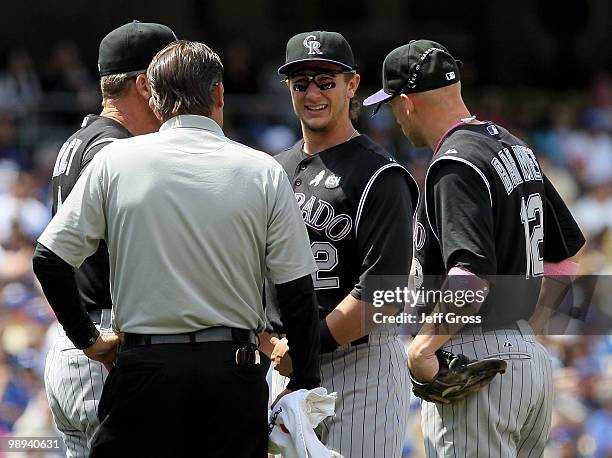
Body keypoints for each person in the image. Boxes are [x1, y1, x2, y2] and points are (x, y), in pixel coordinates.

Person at [33, 40, 321, 457]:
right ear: (219, 93)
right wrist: (304, 382)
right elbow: (296, 289)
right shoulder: (263, 170)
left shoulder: (115, 162)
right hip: (232, 373)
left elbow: (49, 259)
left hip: (144, 370)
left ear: (153, 94)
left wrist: (89, 339)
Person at [364, 39, 585, 457]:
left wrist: (424, 346)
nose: (394, 116)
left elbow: (470, 276)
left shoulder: (454, 161)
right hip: (528, 362)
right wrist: (528, 335)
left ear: (407, 103)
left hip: (473, 359)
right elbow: (565, 258)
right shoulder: (512, 146)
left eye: (392, 104)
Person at [266, 31, 418, 457]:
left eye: (325, 81)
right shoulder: (274, 170)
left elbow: (383, 297)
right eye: (301, 83)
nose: (313, 92)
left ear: (352, 86)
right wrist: (270, 343)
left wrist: (304, 347)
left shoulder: (379, 174)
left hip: (359, 367)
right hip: (286, 362)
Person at [42, 20, 177, 457]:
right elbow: (51, 258)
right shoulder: (114, 152)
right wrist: (91, 339)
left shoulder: (83, 140)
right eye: (169, 80)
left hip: (79, 347)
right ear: (144, 85)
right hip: (105, 345)